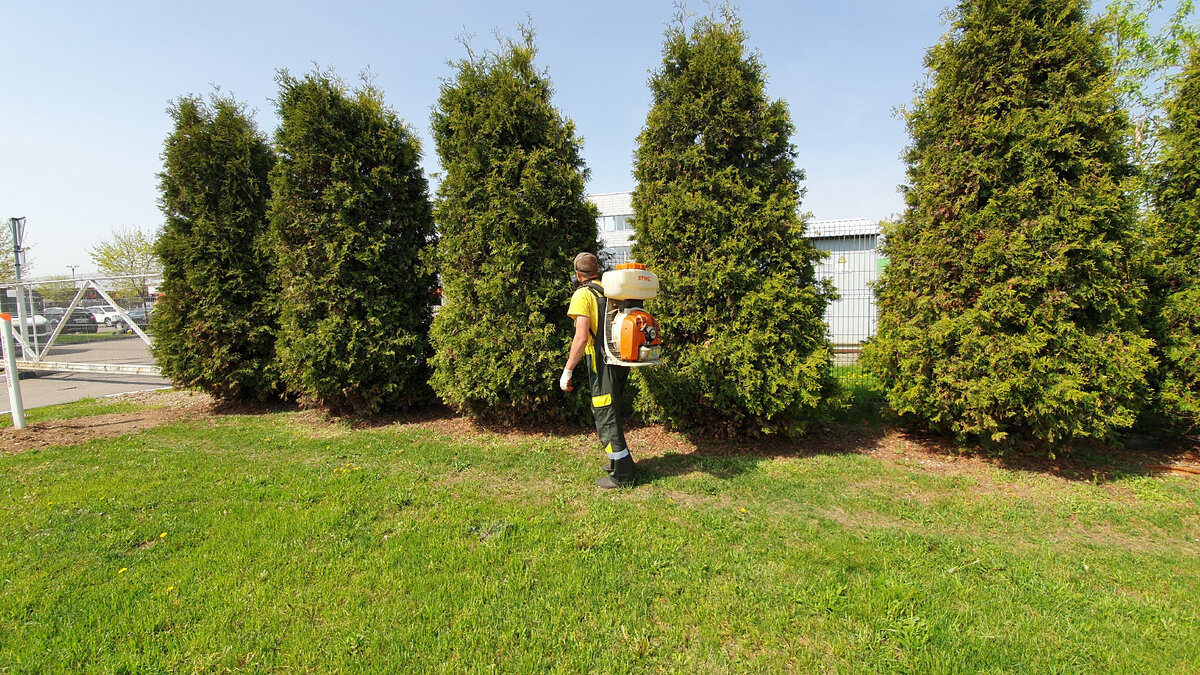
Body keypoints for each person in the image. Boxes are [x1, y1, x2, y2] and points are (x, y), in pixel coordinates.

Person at [560, 252, 636, 488]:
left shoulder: (582, 294)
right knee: (610, 410)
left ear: (577, 274)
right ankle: (617, 462)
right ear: (597, 270)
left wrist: (567, 370)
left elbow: (581, 337)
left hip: (599, 361)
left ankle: (623, 474)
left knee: (605, 414)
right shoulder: (609, 290)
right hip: (618, 359)